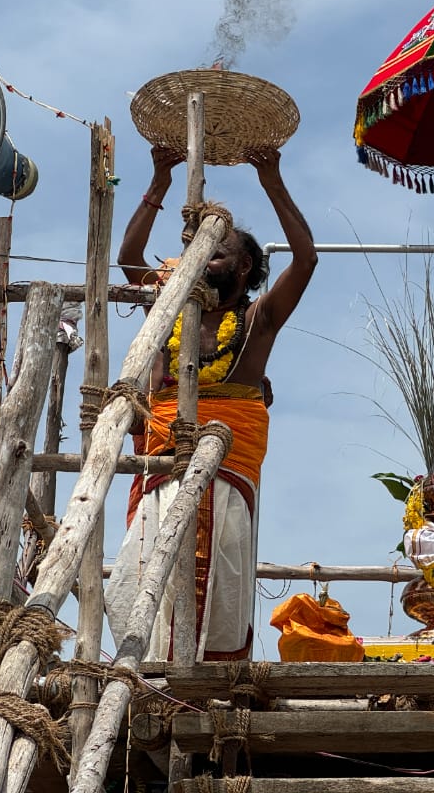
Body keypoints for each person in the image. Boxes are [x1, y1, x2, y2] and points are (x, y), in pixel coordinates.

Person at [105, 145, 318, 661]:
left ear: (244, 266)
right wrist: (160, 179)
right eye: (197, 253)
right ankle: (146, 668)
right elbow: (130, 259)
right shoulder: (169, 302)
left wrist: (272, 180)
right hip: (161, 460)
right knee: (143, 574)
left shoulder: (256, 320)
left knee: (219, 575)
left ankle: (208, 681)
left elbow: (306, 258)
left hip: (228, 468)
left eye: (215, 253)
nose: (202, 262)